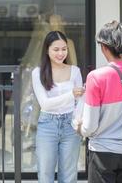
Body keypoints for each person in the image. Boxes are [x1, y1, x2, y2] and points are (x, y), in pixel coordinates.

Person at [74, 20, 122, 183]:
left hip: (103, 153)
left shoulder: (96, 77)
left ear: (104, 47)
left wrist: (78, 127)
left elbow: (89, 127)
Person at [32, 30, 85, 183]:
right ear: (47, 50)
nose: (61, 53)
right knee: (45, 174)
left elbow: (80, 102)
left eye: (64, 49)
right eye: (56, 49)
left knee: (69, 175)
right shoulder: (38, 72)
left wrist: (79, 121)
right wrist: (71, 94)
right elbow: (45, 104)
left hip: (70, 125)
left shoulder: (75, 71)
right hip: (47, 125)